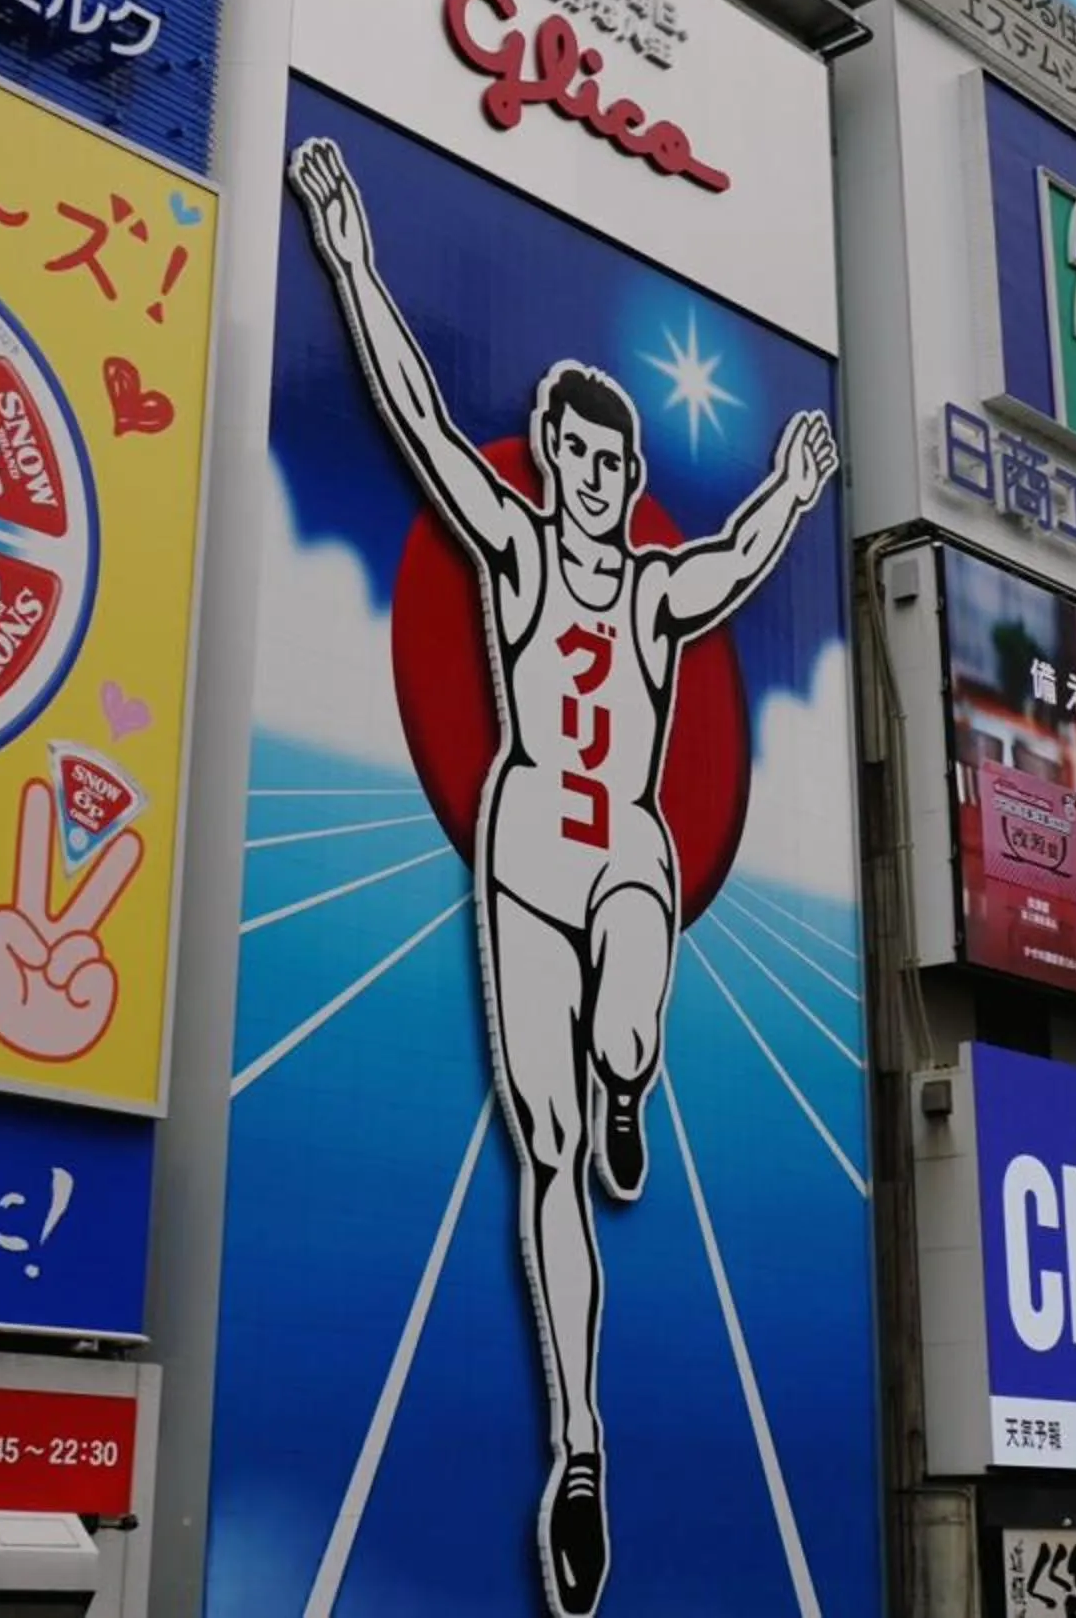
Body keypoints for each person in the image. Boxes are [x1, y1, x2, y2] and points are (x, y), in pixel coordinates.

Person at [292, 136, 837, 1618]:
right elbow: (413, 417)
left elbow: (733, 561)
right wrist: (349, 258)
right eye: (574, 459)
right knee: (545, 1160)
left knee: (625, 1014)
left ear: (631, 476)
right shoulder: (519, 559)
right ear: (556, 462)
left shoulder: (655, 591)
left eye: (613, 464)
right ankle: (580, 1448)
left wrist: (792, 489)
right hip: (525, 848)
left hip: (626, 852)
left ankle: (627, 1071)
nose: (592, 481)